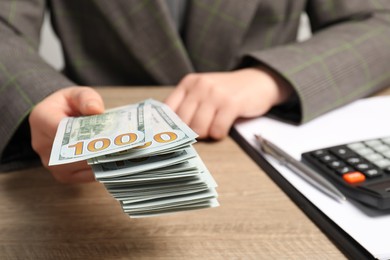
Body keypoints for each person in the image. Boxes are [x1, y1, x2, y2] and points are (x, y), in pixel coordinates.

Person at [1, 0, 390, 183]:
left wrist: (273, 78)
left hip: (261, 151)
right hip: (93, 150)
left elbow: (381, 22)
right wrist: (38, 96)